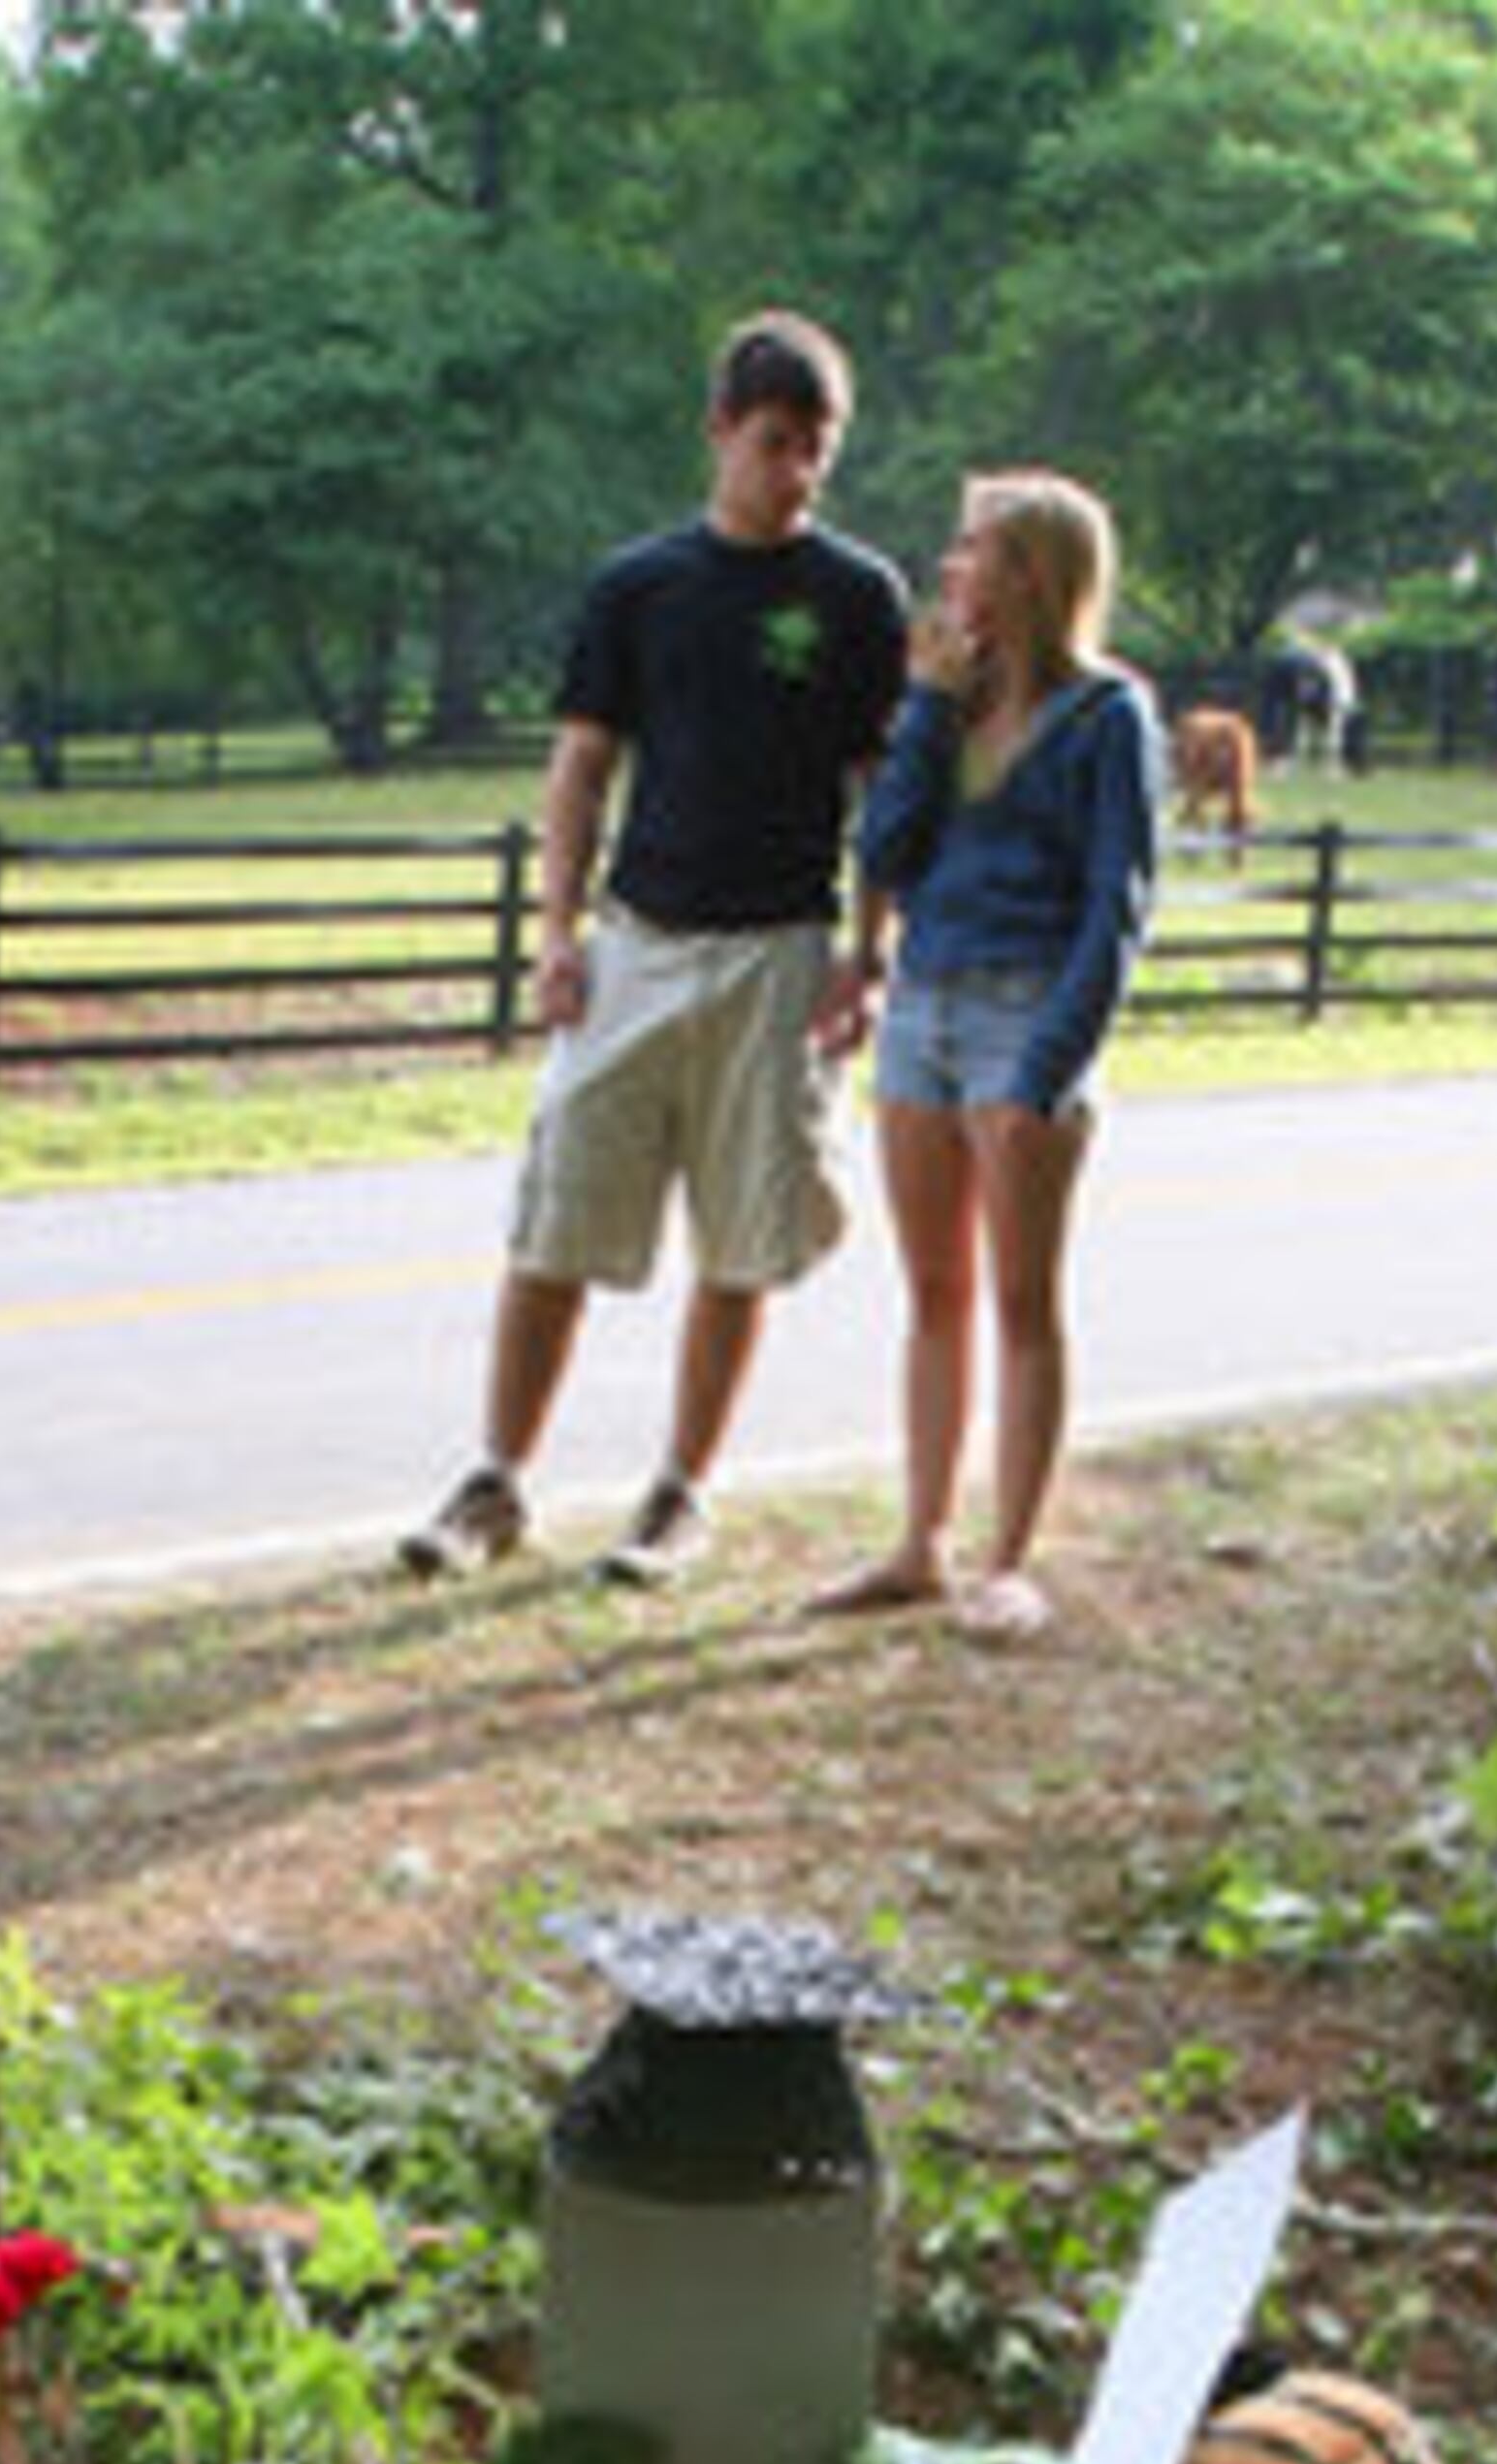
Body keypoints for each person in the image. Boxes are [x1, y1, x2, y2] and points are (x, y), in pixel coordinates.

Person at [397, 311, 908, 1595]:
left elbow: (879, 792)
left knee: (742, 1240)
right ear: (720, 430)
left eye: (818, 451)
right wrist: (556, 935)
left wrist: (870, 950)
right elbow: (581, 768)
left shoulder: (857, 598)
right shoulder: (640, 587)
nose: (795, 473)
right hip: (638, 941)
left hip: (780, 956)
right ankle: (496, 1480)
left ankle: (681, 1492)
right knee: (557, 1217)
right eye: (775, 442)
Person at [814, 469, 1163, 1642]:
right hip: (925, 1010)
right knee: (932, 1291)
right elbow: (886, 847)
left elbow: (1117, 911)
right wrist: (924, 706)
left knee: (1022, 1300)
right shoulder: (947, 705)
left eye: (973, 550)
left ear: (1032, 573)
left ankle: (1009, 1558)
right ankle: (919, 1543)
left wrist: (1047, 1070)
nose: (951, 568)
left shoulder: (1109, 717)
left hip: (1027, 1017)